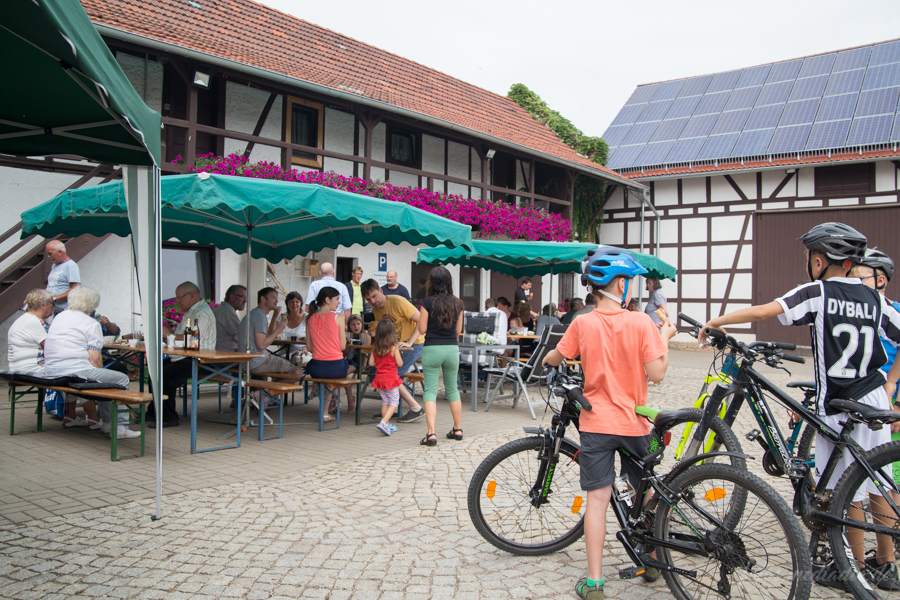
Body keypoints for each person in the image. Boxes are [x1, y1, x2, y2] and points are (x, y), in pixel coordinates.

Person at [699, 223, 900, 589]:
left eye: (809, 257)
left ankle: (850, 568)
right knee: (877, 481)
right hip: (874, 396)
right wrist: (891, 381)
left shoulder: (819, 292)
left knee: (843, 488)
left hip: (840, 403)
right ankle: (886, 566)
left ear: (820, 260)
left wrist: (717, 321)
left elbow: (765, 311)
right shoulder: (876, 300)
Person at [541, 247, 675, 600]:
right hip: (634, 425)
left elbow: (556, 356)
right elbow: (657, 374)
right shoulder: (641, 322)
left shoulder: (582, 322)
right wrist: (666, 337)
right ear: (618, 284)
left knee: (597, 500)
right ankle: (652, 558)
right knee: (644, 490)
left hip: (596, 424)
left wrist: (551, 359)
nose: (630, 286)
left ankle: (595, 583)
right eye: (628, 280)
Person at [44, 286, 136, 438]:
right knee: (120, 378)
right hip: (73, 371)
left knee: (107, 381)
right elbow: (95, 359)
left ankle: (108, 423)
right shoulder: (91, 323)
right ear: (92, 305)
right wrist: (100, 374)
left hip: (52, 370)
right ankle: (118, 426)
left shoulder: (59, 317)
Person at [151, 282, 218, 428]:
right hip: (186, 357)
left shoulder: (202, 313)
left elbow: (194, 338)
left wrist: (170, 334)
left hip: (200, 359)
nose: (178, 302)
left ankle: (168, 417)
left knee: (165, 375)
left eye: (179, 298)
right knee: (154, 369)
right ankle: (153, 412)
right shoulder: (191, 311)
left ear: (191, 296)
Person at [361, 279, 426, 422]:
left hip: (414, 343)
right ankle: (392, 408)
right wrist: (375, 334)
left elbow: (421, 319)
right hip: (395, 346)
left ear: (381, 291)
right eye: (368, 299)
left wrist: (409, 342)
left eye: (374, 296)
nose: (372, 301)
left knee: (391, 375)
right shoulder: (376, 309)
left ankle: (416, 408)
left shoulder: (398, 301)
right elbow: (385, 331)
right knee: (377, 373)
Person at [417, 266, 464, 446]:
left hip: (432, 349)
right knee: (452, 389)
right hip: (452, 349)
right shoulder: (458, 304)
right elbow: (458, 331)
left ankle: (431, 434)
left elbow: (422, 329)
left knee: (430, 391)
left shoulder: (427, 303)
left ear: (431, 282)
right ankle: (457, 429)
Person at [304, 286, 355, 418]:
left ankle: (327, 411)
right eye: (337, 299)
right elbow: (343, 346)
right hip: (335, 367)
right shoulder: (338, 317)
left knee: (330, 380)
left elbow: (309, 347)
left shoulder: (309, 319)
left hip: (316, 368)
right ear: (327, 300)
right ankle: (334, 405)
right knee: (346, 371)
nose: (339, 303)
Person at [237, 287, 304, 387]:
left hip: (248, 360)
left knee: (285, 363)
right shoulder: (259, 316)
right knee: (298, 373)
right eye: (273, 298)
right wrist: (279, 328)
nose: (276, 301)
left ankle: (261, 394)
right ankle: (265, 396)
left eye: (277, 298)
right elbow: (261, 345)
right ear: (263, 299)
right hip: (256, 362)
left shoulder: (253, 314)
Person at [369, 319, 403, 436]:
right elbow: (400, 364)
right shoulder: (394, 347)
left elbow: (371, 363)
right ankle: (383, 422)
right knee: (394, 402)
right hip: (391, 379)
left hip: (379, 379)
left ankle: (387, 424)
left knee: (385, 401)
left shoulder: (375, 348)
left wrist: (381, 361)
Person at [44, 240, 81, 316]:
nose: (48, 257)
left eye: (50, 254)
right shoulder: (54, 265)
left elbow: (76, 289)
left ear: (60, 252)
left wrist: (54, 299)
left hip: (64, 309)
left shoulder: (70, 265)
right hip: (53, 308)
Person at [214, 285, 247, 351]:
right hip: (227, 357)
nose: (245, 301)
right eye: (242, 297)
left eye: (246, 298)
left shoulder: (223, 309)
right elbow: (242, 336)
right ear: (232, 297)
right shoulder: (226, 310)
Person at [282, 291, 307, 362]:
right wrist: (274, 316)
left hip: (301, 351)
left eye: (297, 302)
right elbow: (273, 333)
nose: (294, 304)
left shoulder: (307, 317)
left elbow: (314, 335)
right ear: (287, 304)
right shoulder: (282, 316)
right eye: (291, 302)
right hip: (283, 351)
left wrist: (307, 347)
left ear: (301, 303)